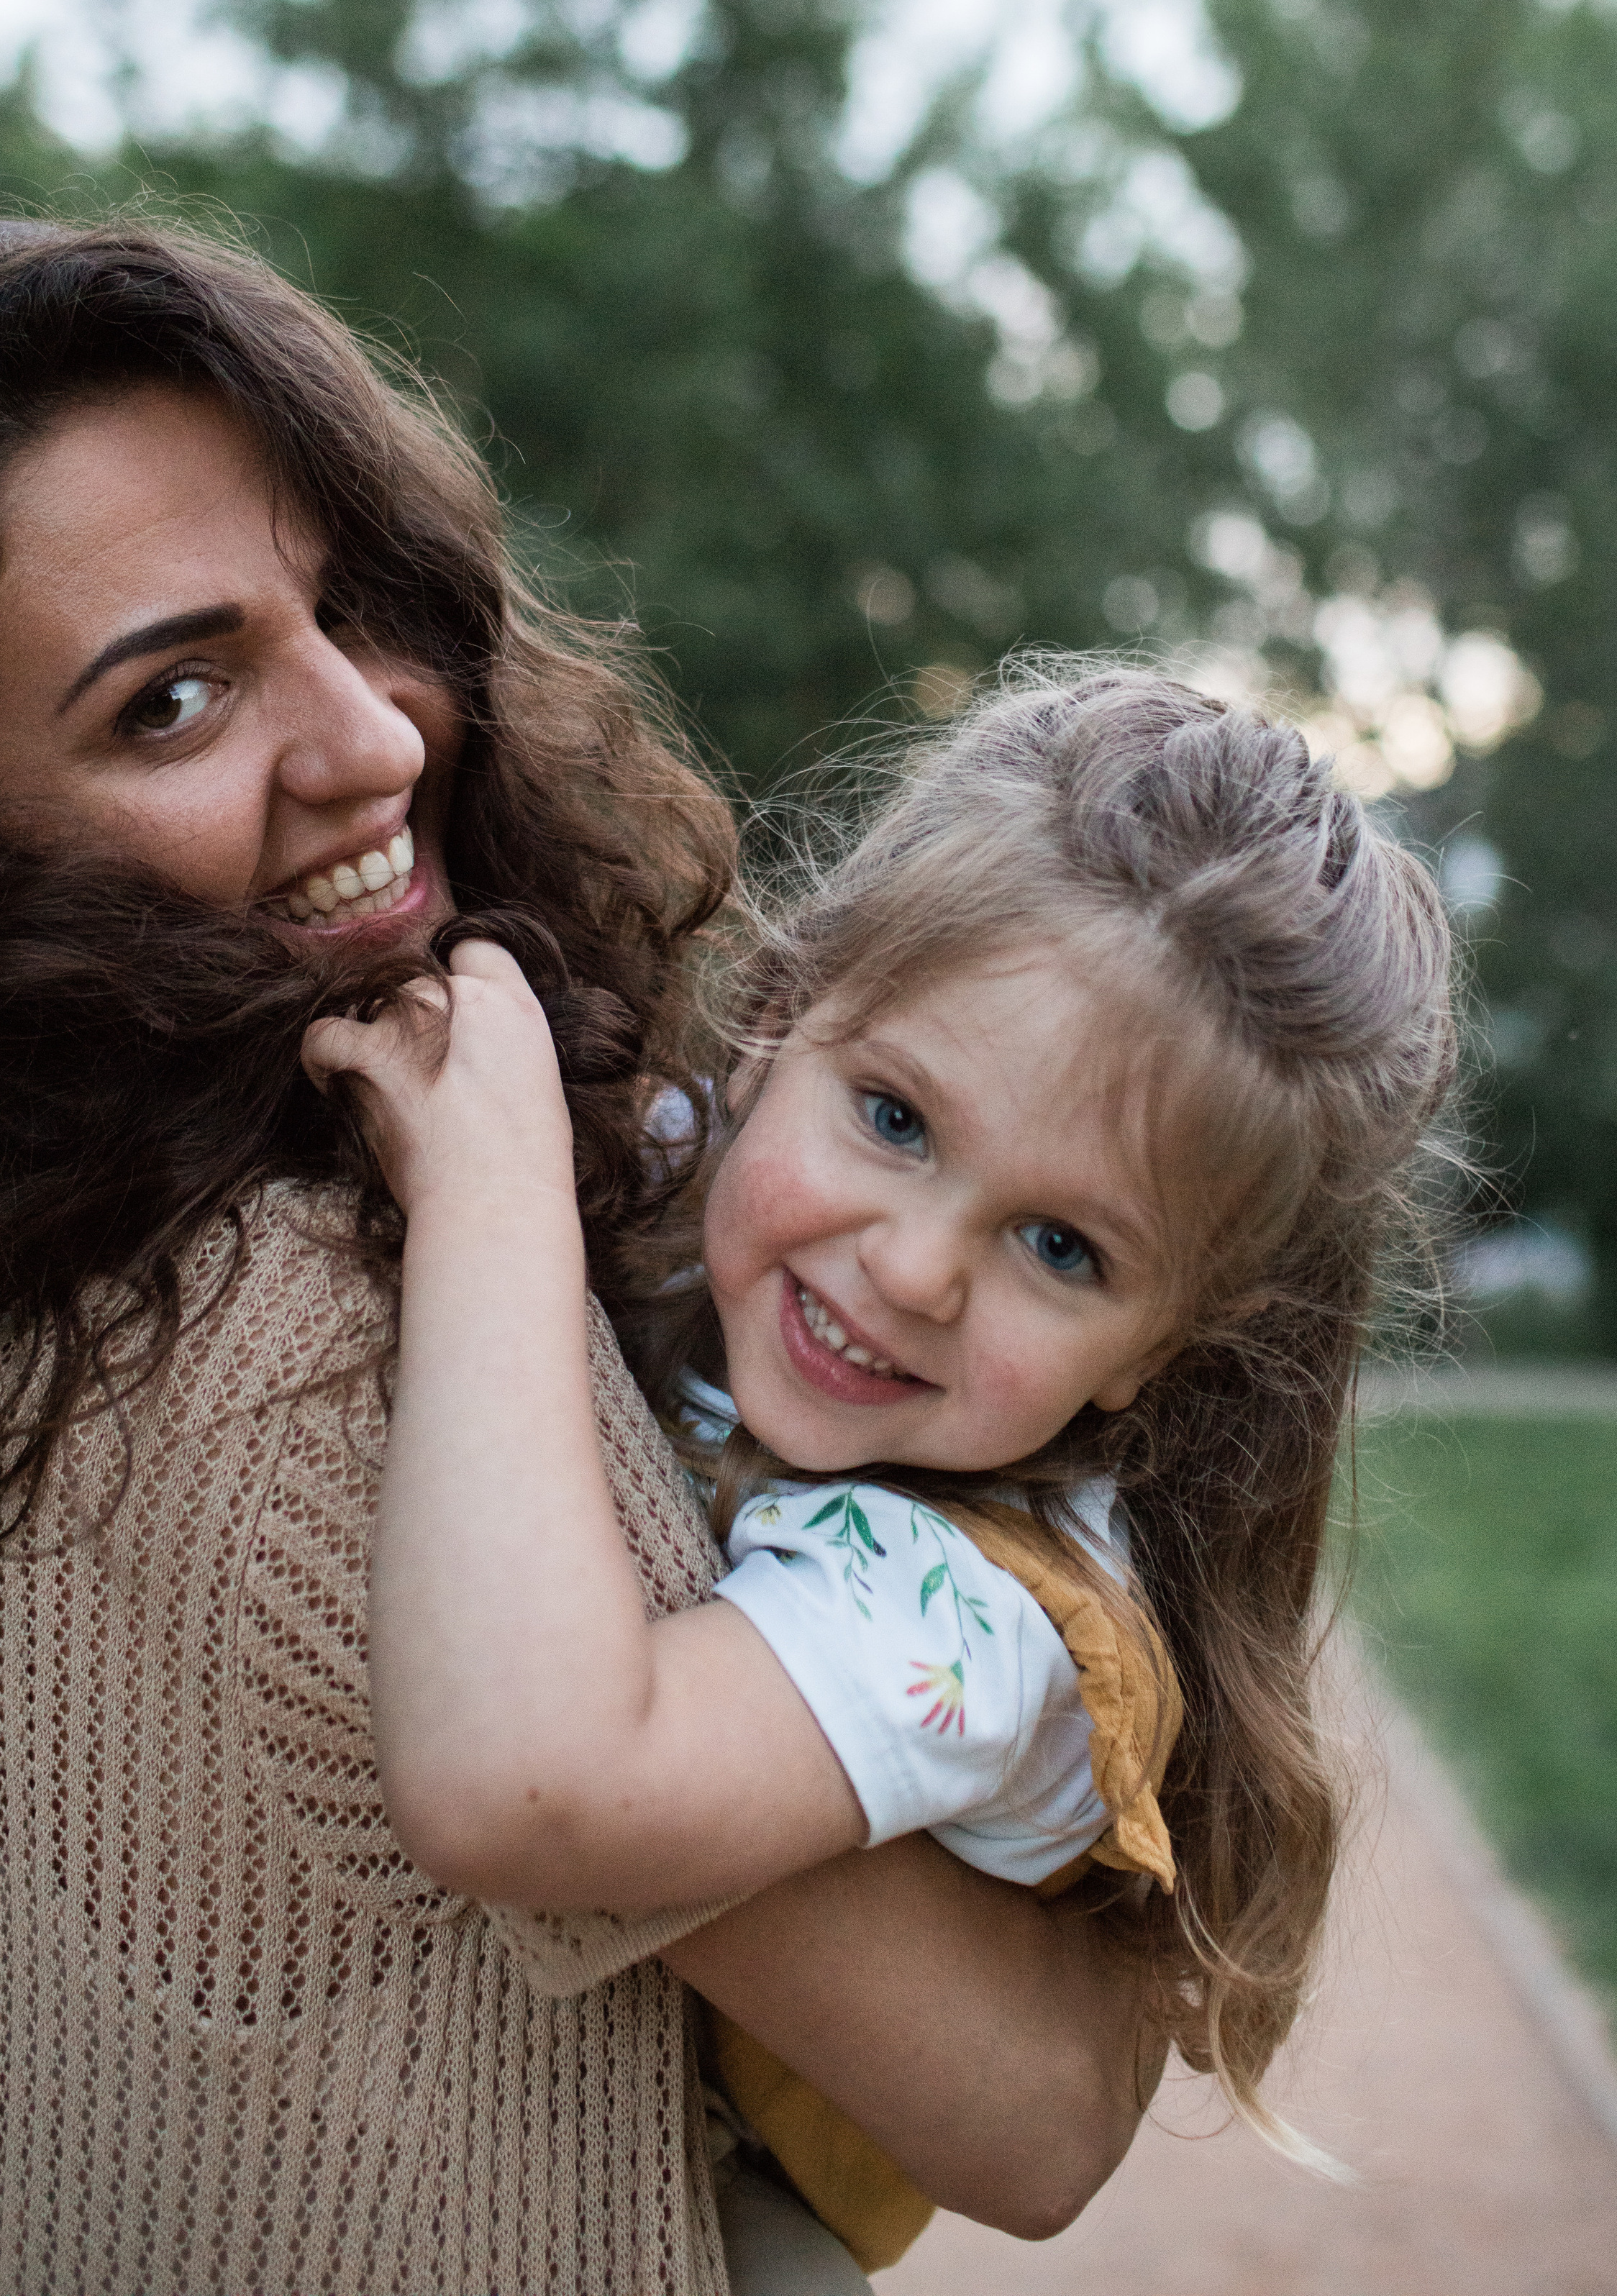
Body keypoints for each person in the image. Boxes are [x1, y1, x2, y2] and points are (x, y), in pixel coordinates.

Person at [0, 219, 1157, 2296]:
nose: (377, 740)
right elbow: (1037, 2110)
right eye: (174, 700)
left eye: (344, 606)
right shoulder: (338, 1354)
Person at [306, 665, 1458, 2275]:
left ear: (1154, 1348)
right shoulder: (678, 1171)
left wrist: (489, 1200)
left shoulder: (962, 1608)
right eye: (896, 1117)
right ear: (779, 1019)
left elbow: (529, 1783)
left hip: (704, 2221)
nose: (914, 1268)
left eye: (1060, 1245)